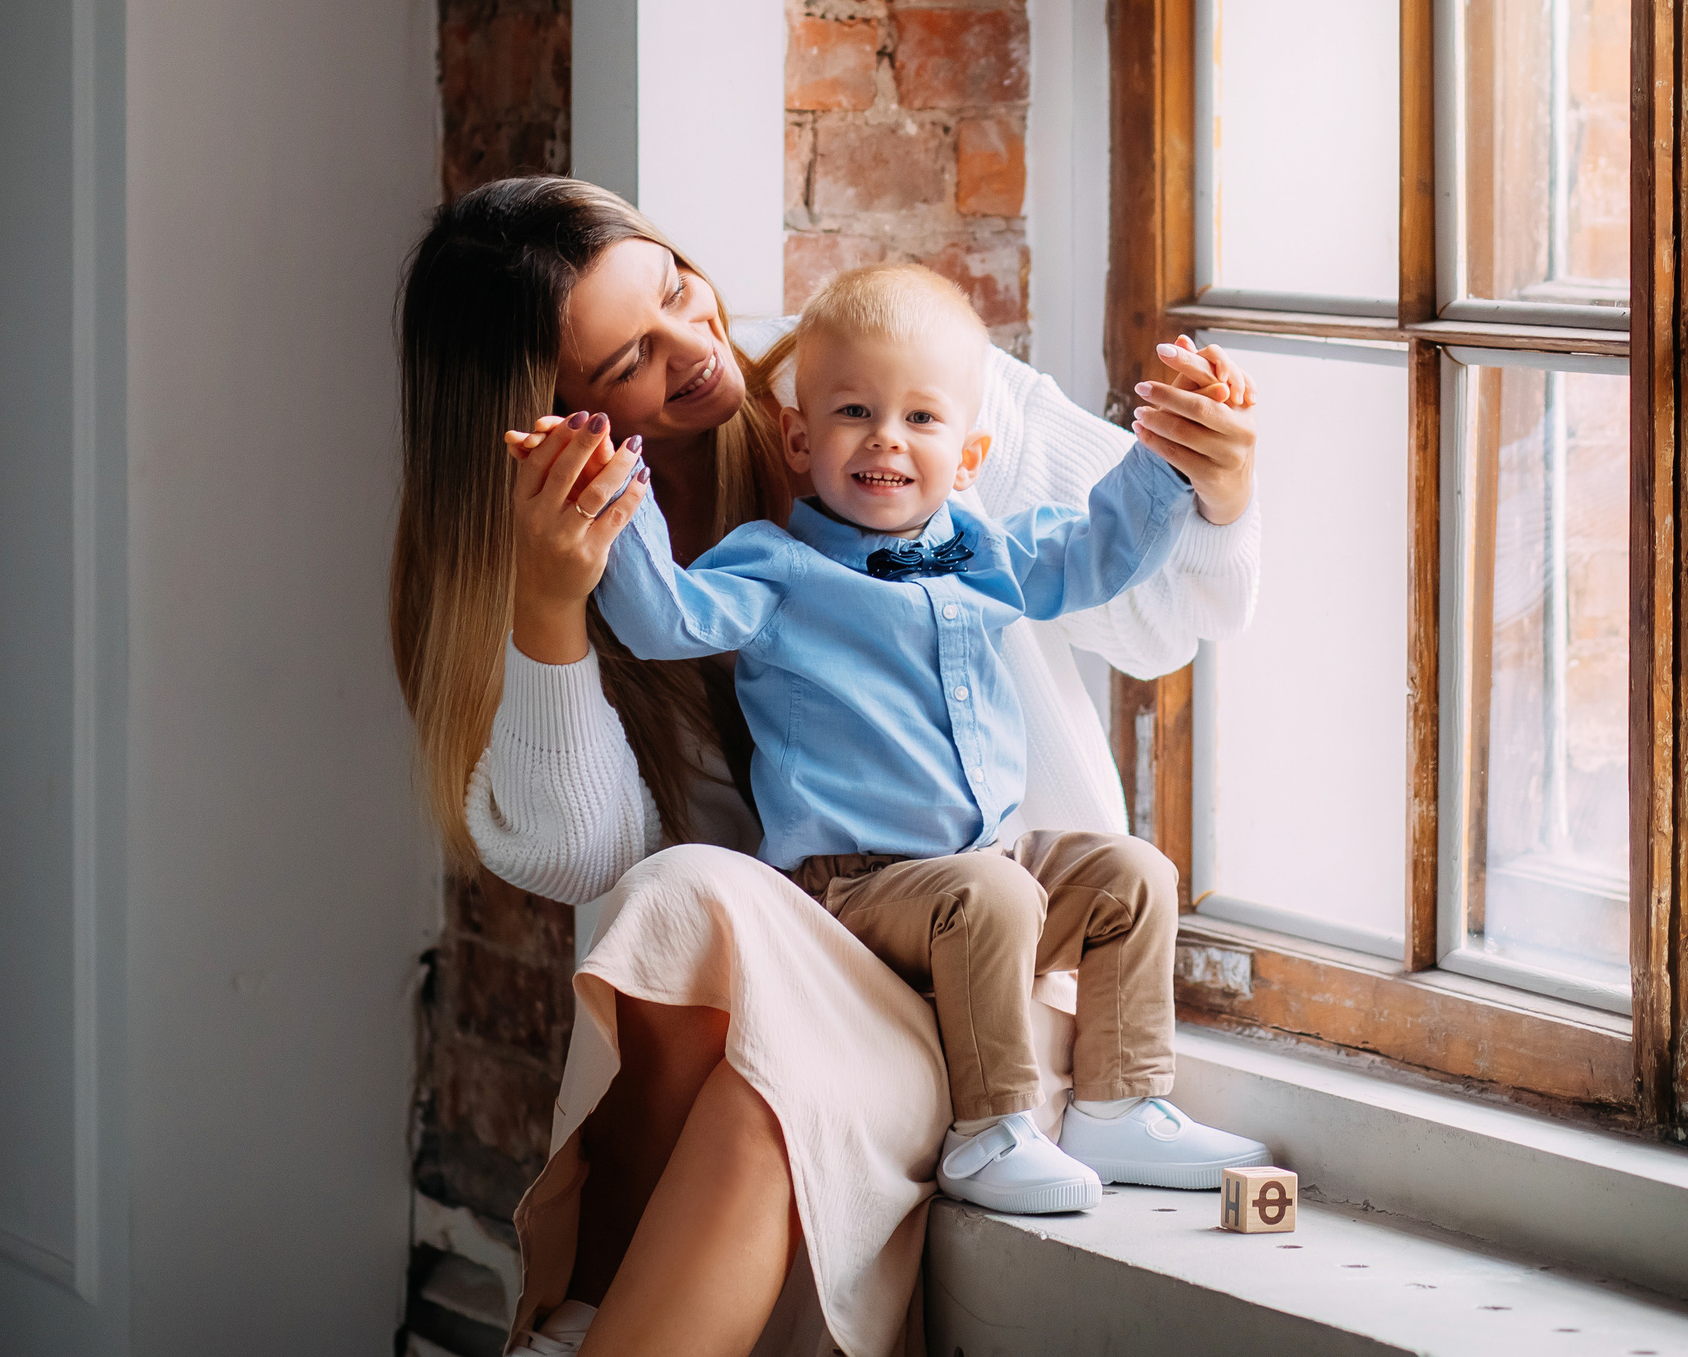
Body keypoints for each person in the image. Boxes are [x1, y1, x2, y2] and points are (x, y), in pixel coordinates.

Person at [389, 177, 1261, 1357]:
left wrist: (1210, 483)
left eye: (678, 287)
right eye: (629, 362)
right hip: (827, 929)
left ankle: (580, 1325)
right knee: (688, 901)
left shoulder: (887, 376)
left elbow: (1148, 609)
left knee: (761, 1092)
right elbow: (583, 857)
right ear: (557, 413)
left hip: (1001, 965)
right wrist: (551, 608)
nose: (699, 348)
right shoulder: (627, 545)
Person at [583, 262, 1269, 1216]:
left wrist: (1172, 458)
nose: (885, 440)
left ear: (970, 453)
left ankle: (1119, 1102)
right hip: (855, 890)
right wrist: (621, 500)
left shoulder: (985, 551)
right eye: (855, 412)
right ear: (798, 435)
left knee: (1134, 874)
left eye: (920, 419)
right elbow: (669, 619)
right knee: (990, 891)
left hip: (988, 866)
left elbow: (1100, 553)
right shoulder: (776, 567)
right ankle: (989, 1132)